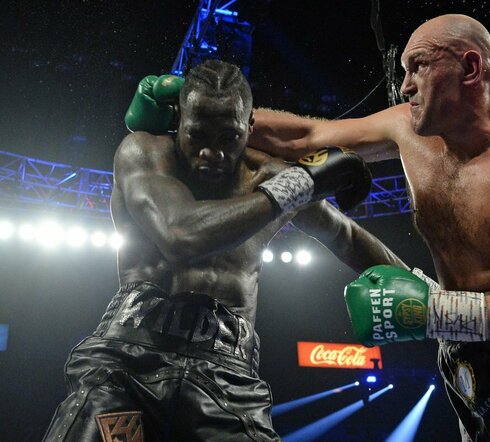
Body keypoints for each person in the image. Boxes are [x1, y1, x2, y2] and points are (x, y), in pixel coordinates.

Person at [247, 14, 490, 442]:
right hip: (468, 354)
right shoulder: (405, 130)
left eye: (418, 66)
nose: (405, 85)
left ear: (470, 68)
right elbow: (308, 135)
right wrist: (216, 115)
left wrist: (436, 313)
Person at [42, 59, 406, 442]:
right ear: (179, 119)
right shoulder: (145, 154)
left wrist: (436, 302)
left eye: (227, 138)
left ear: (249, 127)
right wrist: (297, 185)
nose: (210, 153)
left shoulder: (270, 177)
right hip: (128, 367)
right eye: (197, 135)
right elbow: (179, 234)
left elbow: (345, 236)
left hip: (227, 379)